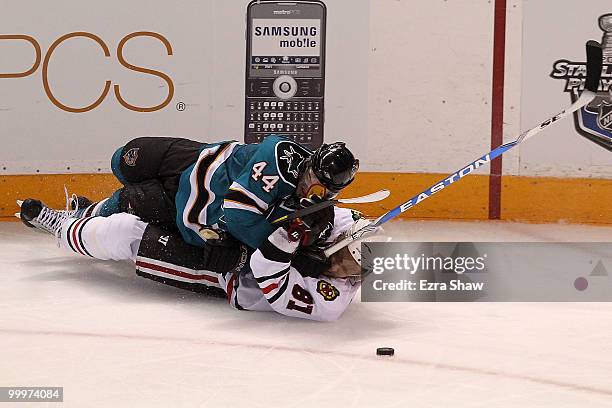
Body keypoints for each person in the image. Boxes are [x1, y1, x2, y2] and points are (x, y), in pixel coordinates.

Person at [17, 196, 372, 321]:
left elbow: (267, 273)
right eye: (349, 249)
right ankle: (87, 214)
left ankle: (62, 228)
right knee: (160, 203)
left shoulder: (330, 302)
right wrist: (342, 219)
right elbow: (336, 217)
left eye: (353, 265)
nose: (349, 265)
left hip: (221, 272)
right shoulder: (342, 242)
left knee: (128, 233)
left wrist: (291, 237)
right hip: (237, 237)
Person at [51, 135, 359, 250]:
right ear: (313, 167)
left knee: (128, 201)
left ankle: (80, 215)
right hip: (193, 158)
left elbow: (236, 218)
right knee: (123, 159)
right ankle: (89, 210)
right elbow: (242, 218)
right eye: (320, 187)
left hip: (193, 203)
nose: (318, 193)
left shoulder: (302, 167)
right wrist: (281, 239)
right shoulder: (276, 164)